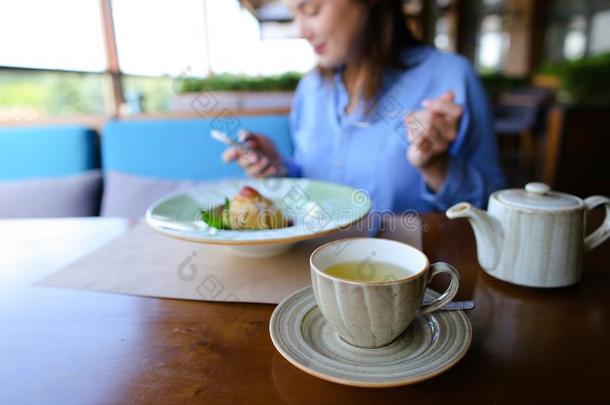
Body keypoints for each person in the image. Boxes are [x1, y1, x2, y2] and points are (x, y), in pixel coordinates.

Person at [223, 0, 505, 213]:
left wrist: (436, 166)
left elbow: (494, 209)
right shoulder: (311, 89)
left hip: (415, 279)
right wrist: (280, 166)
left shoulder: (450, 76)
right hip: (316, 269)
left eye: (311, 10)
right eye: (294, 14)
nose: (301, 30)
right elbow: (316, 183)